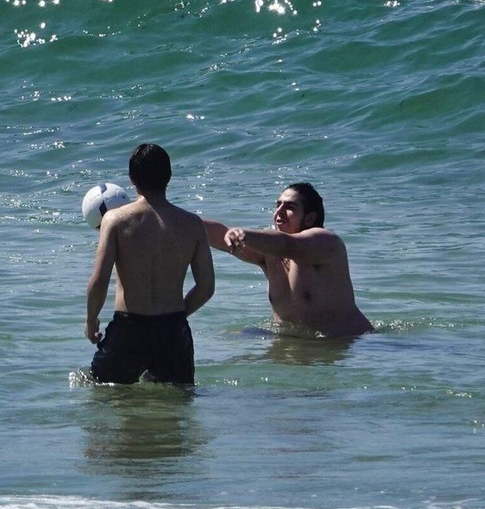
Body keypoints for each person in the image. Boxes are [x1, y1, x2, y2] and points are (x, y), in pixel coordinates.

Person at [85, 143, 215, 384]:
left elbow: (99, 280)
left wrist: (91, 322)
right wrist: (178, 316)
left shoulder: (113, 220)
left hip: (128, 329)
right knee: (176, 406)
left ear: (132, 179)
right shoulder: (192, 224)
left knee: (100, 392)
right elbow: (206, 287)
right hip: (173, 331)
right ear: (169, 177)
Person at [204, 182, 373, 337]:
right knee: (237, 336)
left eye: (290, 207)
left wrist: (244, 234)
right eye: (278, 205)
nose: (279, 211)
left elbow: (288, 244)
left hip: (348, 342)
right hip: (300, 344)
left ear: (309, 218)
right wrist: (180, 220)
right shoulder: (269, 253)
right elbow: (220, 235)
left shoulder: (326, 242)